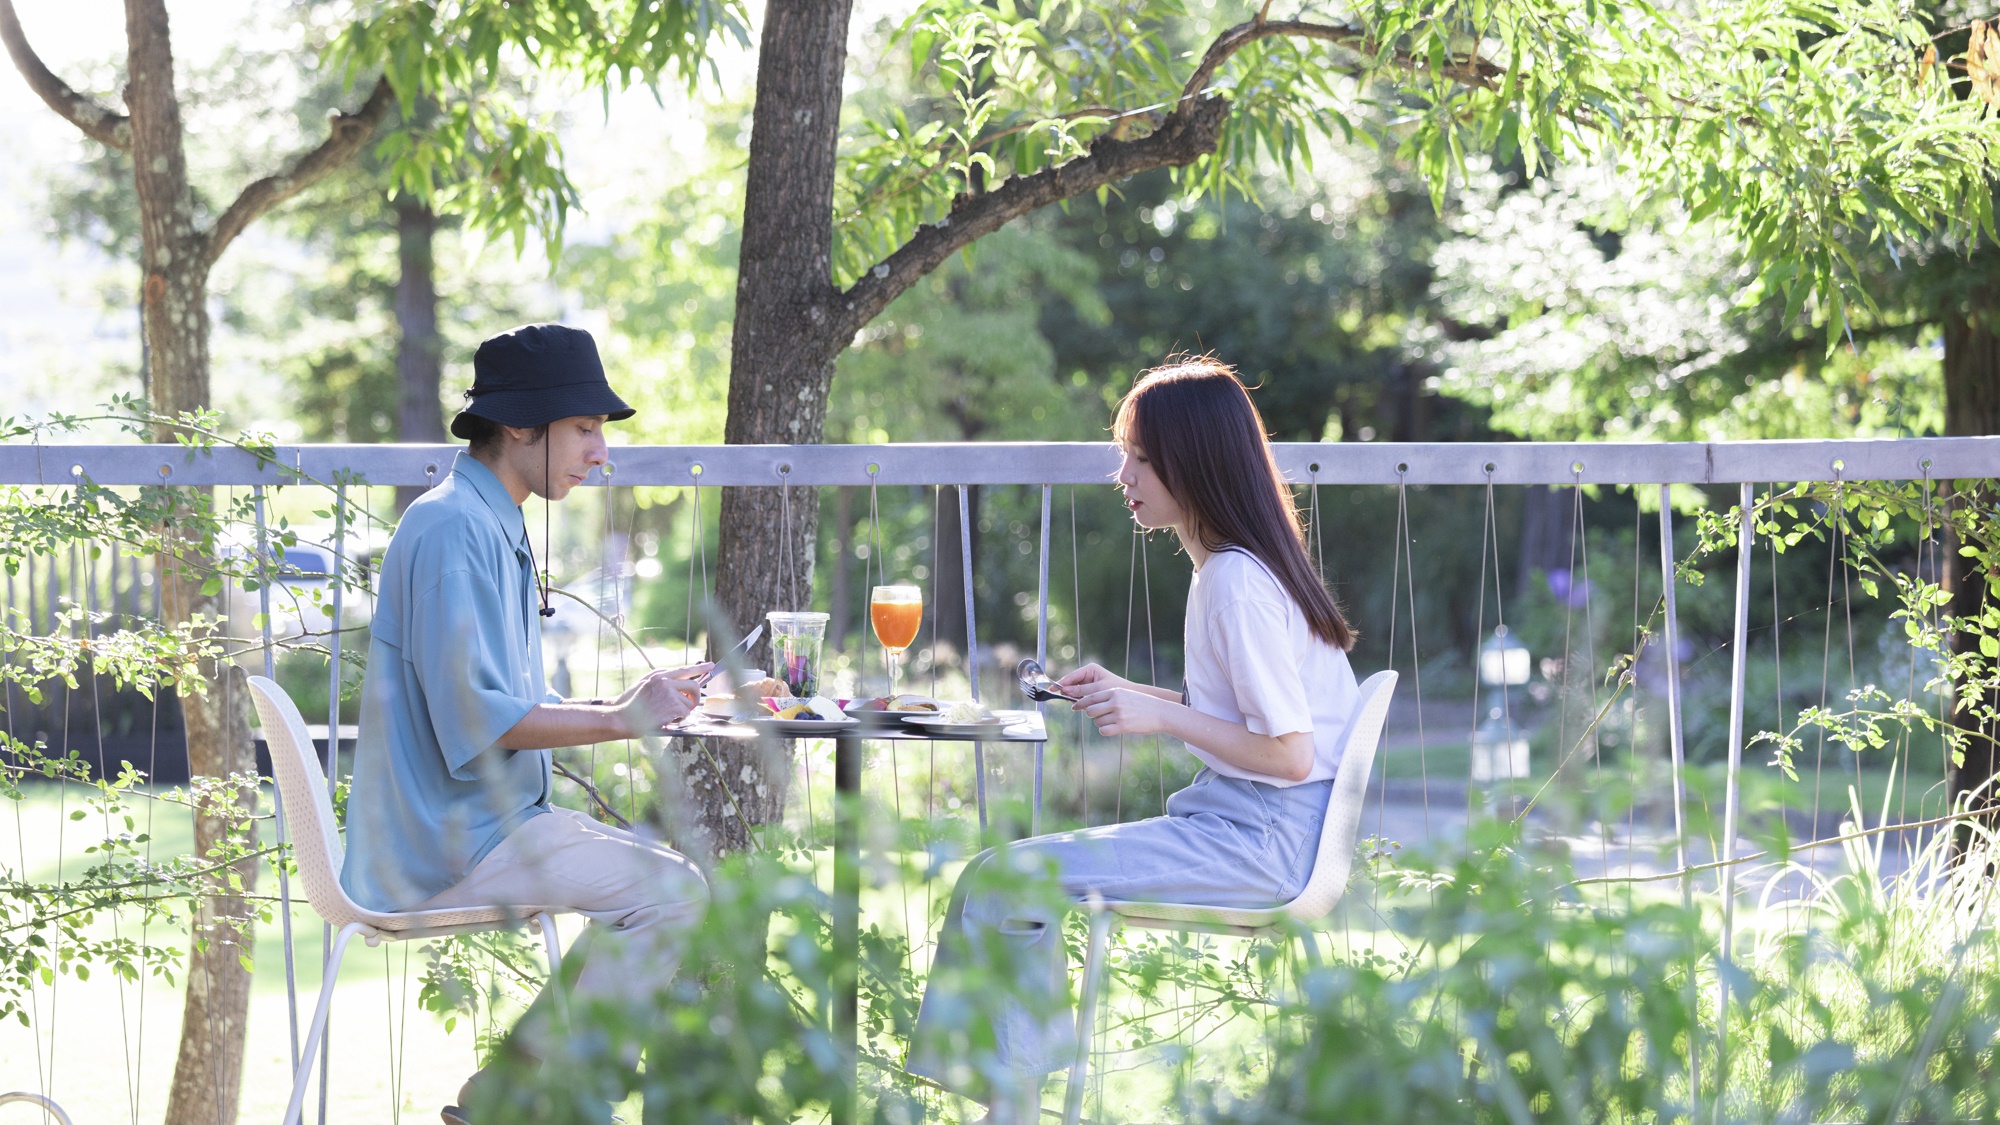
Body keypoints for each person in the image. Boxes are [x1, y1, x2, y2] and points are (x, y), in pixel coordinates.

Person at [907, 356, 1360, 1123]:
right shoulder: (1236, 569)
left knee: (1006, 877)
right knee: (1004, 873)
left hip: (1262, 840)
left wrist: (1163, 717)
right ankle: (1008, 1102)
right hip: (1251, 825)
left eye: (1142, 457)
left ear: (1198, 461)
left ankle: (1008, 1109)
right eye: (1126, 452)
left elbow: (1290, 754)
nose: (1123, 472)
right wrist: (1130, 691)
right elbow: (1243, 715)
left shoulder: (1235, 583)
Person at [340, 323, 717, 1125]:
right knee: (675, 893)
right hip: (447, 842)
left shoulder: (486, 518)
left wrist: (637, 702)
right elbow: (481, 719)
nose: (600, 452)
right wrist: (624, 718)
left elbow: (501, 700)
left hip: (490, 823)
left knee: (666, 879)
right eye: (584, 428)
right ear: (519, 426)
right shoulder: (453, 531)